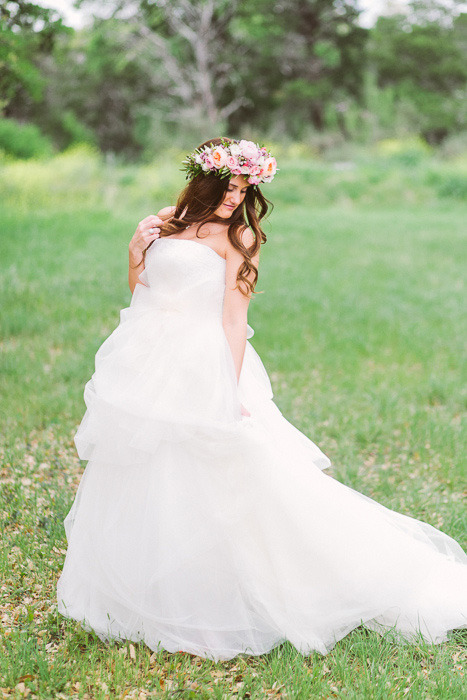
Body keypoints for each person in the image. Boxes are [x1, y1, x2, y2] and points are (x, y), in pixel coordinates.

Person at [57, 137, 467, 662]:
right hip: (151, 362)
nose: (235, 198)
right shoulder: (165, 222)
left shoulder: (240, 238)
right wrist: (134, 254)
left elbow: (233, 320)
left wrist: (226, 391)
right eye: (228, 187)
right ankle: (145, 594)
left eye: (243, 188)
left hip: (204, 363)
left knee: (229, 476)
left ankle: (226, 597)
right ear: (201, 181)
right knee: (149, 468)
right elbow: (143, 292)